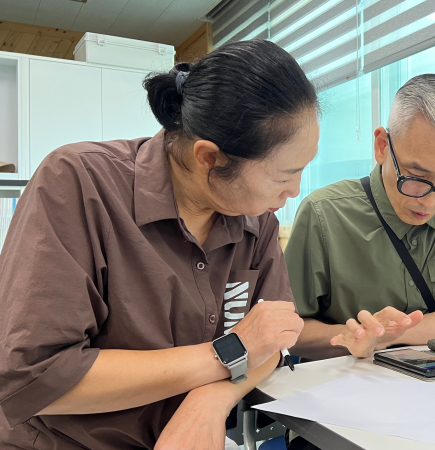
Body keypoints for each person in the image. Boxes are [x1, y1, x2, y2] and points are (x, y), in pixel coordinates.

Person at [0, 40, 315, 450]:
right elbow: (36, 377)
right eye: (284, 175)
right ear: (210, 158)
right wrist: (227, 352)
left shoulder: (257, 219)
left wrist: (209, 402)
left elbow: (271, 342)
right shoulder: (77, 183)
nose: (294, 190)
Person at [285, 74, 435, 360]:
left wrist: (389, 334)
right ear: (382, 146)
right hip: (350, 380)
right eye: (417, 177)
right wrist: (354, 337)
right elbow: (290, 332)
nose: (431, 202)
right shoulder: (323, 214)